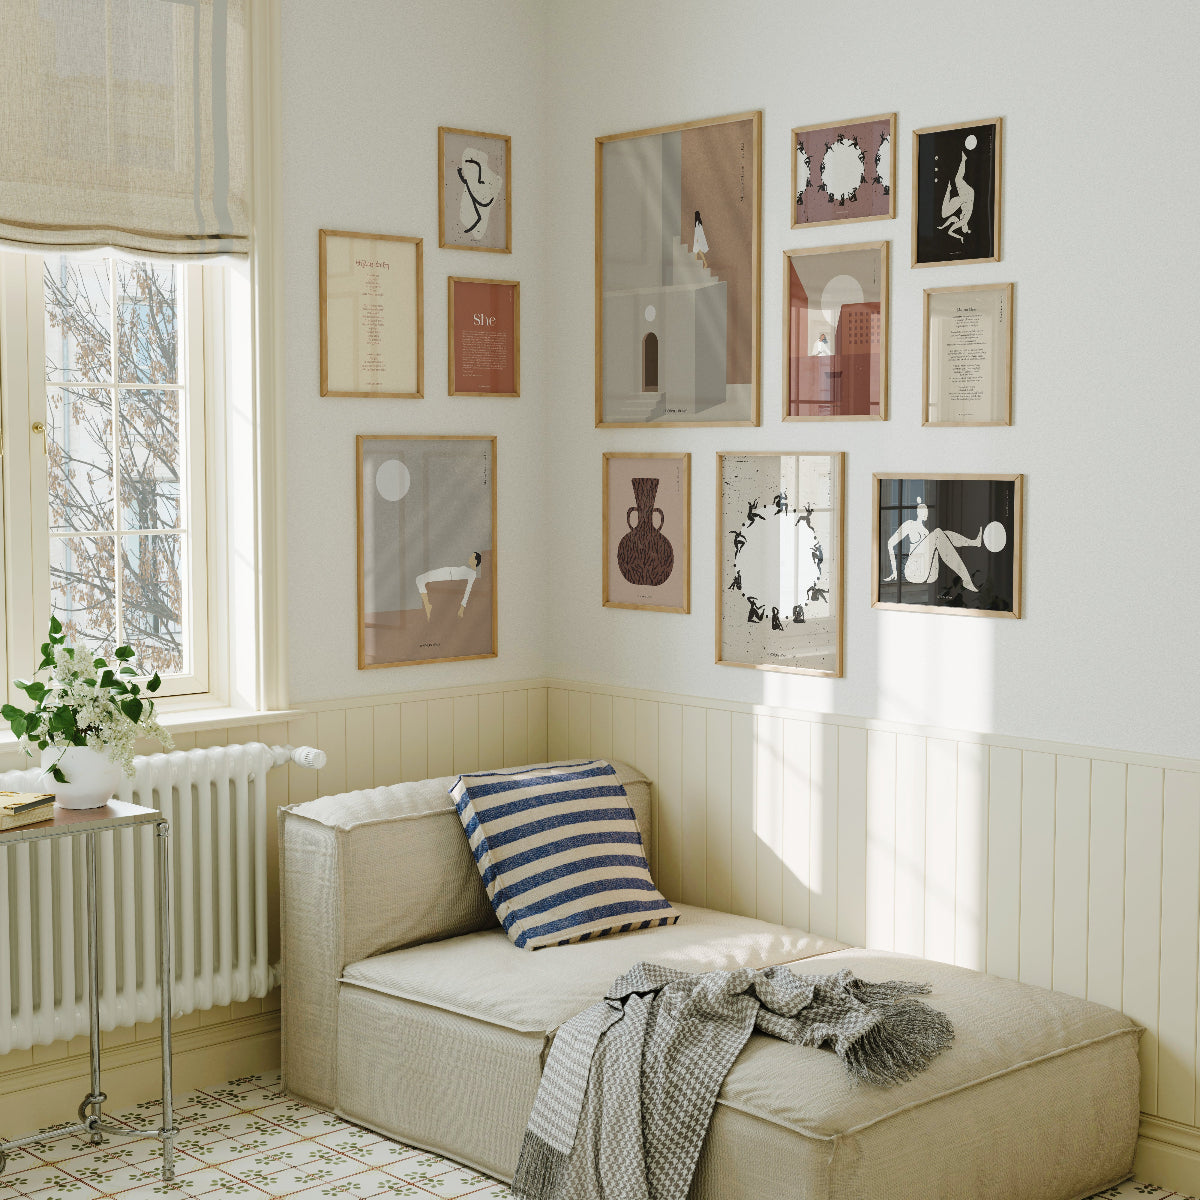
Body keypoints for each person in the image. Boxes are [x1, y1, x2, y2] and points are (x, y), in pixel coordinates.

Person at [884, 500, 981, 591]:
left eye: (927, 511)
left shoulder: (926, 532)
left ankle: (974, 543)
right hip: (914, 572)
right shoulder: (910, 524)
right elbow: (890, 543)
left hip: (929, 573)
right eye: (924, 511)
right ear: (919, 512)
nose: (927, 514)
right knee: (938, 533)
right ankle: (966, 579)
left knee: (944, 534)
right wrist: (894, 571)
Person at [416, 552, 482, 620]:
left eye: (472, 557)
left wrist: (462, 608)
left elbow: (468, 590)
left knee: (419, 579)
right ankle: (427, 605)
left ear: (475, 561)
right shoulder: (470, 571)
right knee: (420, 579)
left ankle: (427, 605)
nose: (470, 558)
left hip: (446, 574)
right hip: (446, 571)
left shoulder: (472, 574)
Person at [938, 151, 975, 243]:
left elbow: (951, 222)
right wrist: (960, 237)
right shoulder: (964, 220)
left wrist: (942, 226)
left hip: (965, 197)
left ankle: (964, 159)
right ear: (966, 227)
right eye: (964, 228)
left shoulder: (959, 219)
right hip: (967, 196)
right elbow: (950, 231)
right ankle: (949, 189)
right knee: (944, 213)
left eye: (962, 228)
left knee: (957, 179)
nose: (962, 226)